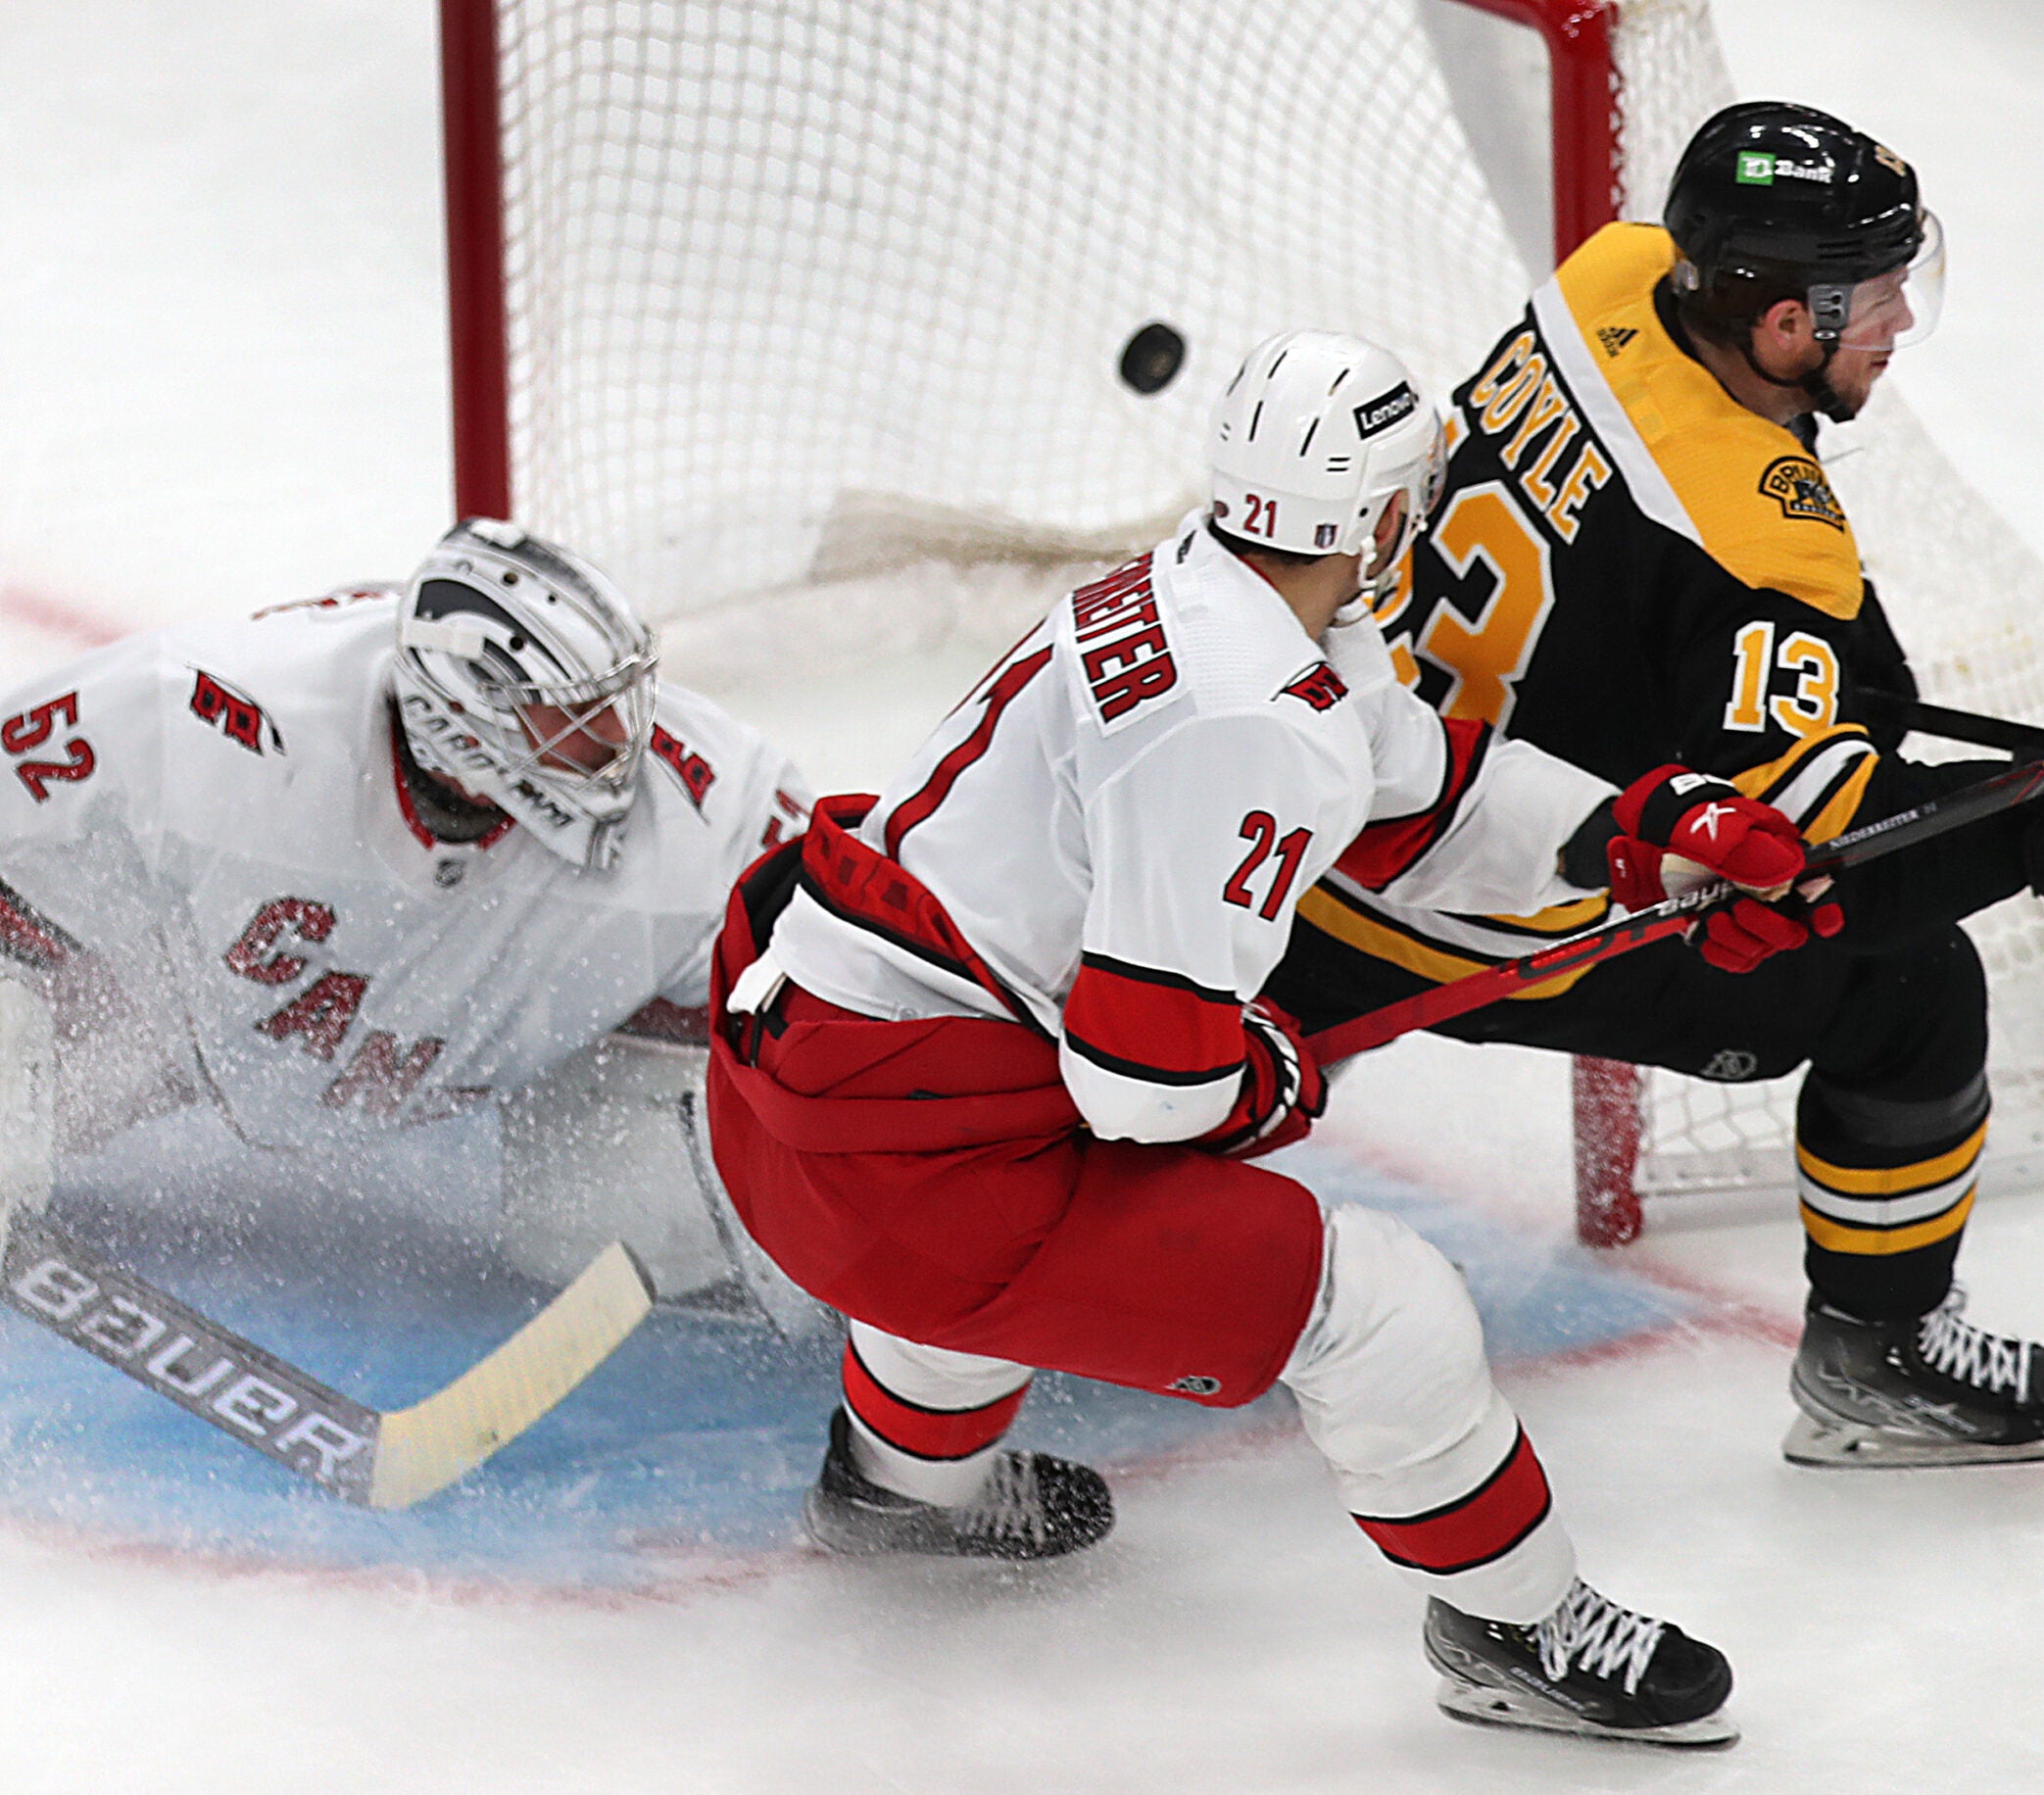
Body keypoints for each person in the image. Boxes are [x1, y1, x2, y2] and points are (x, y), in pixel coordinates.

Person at [702, 330, 1858, 1745]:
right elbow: (1141, 1081)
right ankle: (1514, 1628)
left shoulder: (1206, 591)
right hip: (900, 1180)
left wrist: (1651, 829)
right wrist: (1264, 1074)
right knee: (1382, 1306)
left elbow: (1404, 784)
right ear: (1375, 518)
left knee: (993, 1219)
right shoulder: (1242, 716)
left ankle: (892, 1494)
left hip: (803, 1089)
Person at [1264, 101, 2044, 1468]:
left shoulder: (1606, 281)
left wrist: (1828, 686)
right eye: (1877, 298)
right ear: (1780, 328)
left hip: (1313, 818)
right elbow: (1820, 860)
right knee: (1911, 991)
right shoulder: (1761, 541)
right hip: (1494, 904)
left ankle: (908, 1427)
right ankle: (1877, 1359)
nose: (1896, 325)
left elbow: (1626, 577)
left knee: (1085, 1089)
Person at [0, 517, 820, 1324]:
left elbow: (871, 964)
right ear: (461, 729)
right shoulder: (199, 728)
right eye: (570, 720)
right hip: (183, 994)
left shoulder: (709, 811)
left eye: (619, 702)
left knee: (626, 1216)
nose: (619, 743)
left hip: (504, 1048)